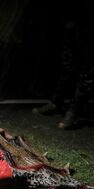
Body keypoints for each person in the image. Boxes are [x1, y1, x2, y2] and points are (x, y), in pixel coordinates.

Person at [32, 1, 94, 129]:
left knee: (87, 70)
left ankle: (73, 111)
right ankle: (56, 103)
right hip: (75, 20)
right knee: (67, 65)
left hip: (90, 25)